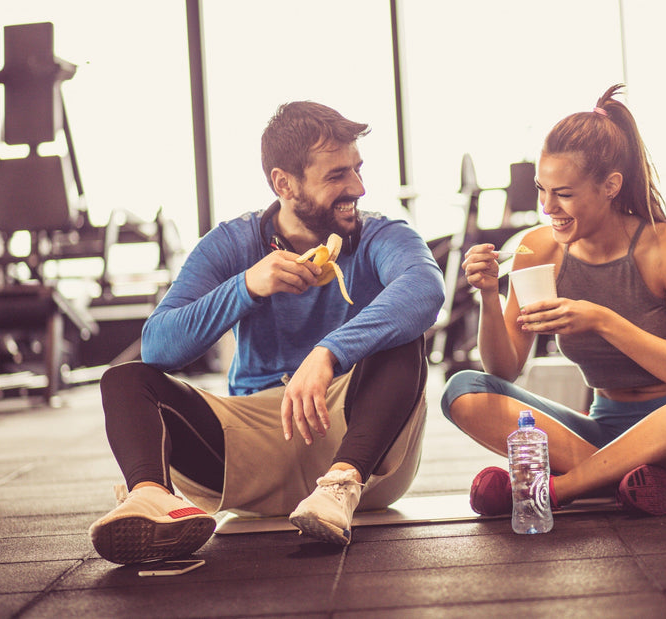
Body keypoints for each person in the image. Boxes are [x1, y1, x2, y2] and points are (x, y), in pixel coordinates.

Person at [89, 100, 444, 563]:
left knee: (403, 334)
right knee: (125, 379)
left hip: (360, 450)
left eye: (357, 169)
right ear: (284, 183)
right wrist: (247, 286)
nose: (358, 186)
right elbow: (158, 345)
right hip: (252, 446)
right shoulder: (233, 243)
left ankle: (338, 486)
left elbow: (425, 289)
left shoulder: (380, 234)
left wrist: (328, 353)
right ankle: (153, 497)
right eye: (337, 175)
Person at [442, 84, 666, 518]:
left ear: (610, 186)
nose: (548, 207)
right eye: (541, 189)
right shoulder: (538, 248)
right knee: (464, 389)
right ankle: (627, 481)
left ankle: (562, 489)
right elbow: (503, 368)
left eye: (564, 194)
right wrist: (489, 296)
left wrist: (603, 321)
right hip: (604, 431)